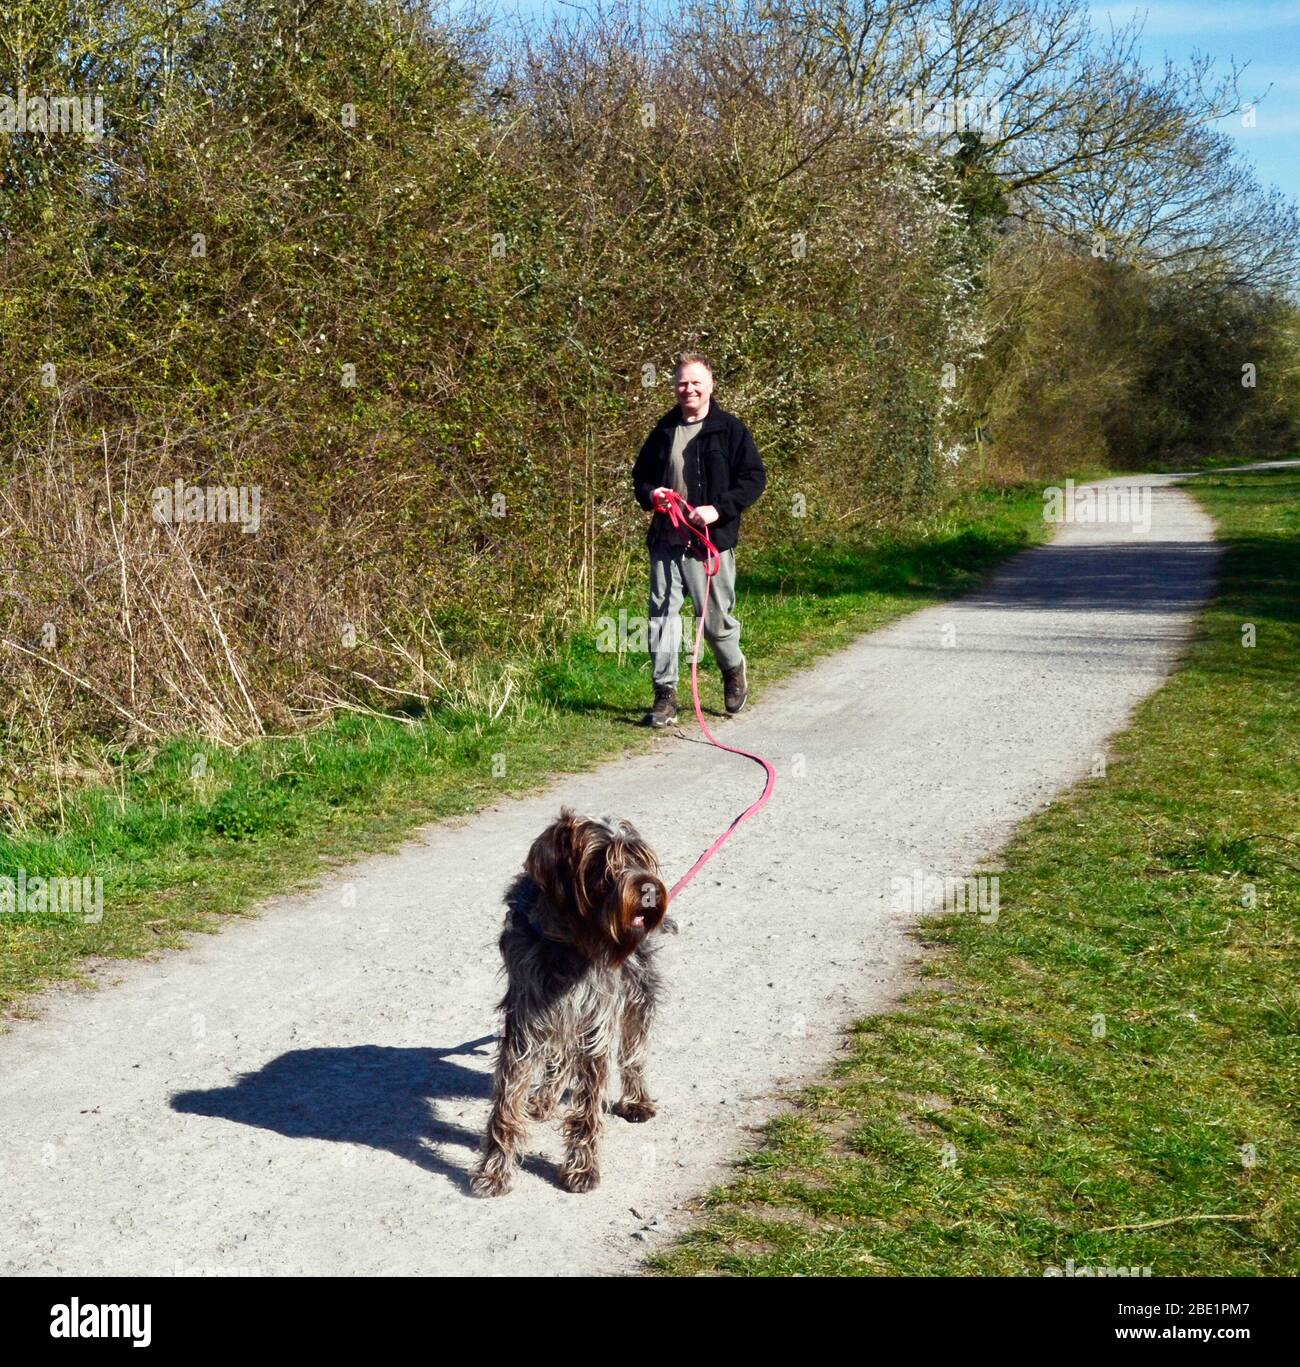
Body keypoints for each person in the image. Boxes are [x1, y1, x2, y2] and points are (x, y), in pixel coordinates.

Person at [631, 353, 766, 727]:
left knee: (714, 621)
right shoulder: (663, 430)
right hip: (666, 538)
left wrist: (717, 509)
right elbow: (640, 477)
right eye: (681, 383)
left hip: (709, 540)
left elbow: (753, 479)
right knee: (662, 615)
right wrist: (652, 495)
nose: (688, 389)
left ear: (710, 386)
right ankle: (665, 695)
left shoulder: (731, 429)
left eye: (695, 382)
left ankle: (732, 668)